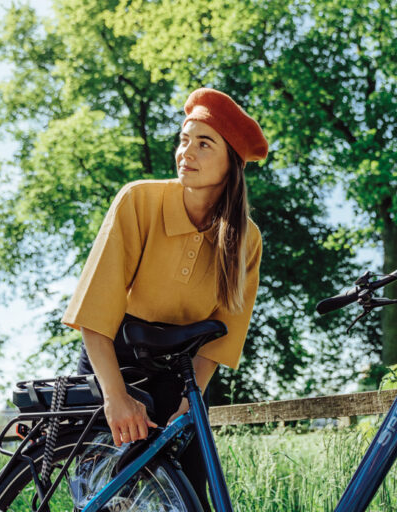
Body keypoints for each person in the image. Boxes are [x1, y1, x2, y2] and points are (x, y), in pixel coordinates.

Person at [61, 87, 267, 510]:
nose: (185, 152)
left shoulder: (246, 241)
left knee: (192, 496)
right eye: (183, 139)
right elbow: (95, 314)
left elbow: (220, 338)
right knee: (113, 496)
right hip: (114, 355)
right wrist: (114, 398)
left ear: (231, 163)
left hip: (184, 370)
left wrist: (185, 407)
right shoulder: (139, 201)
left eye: (203, 143)